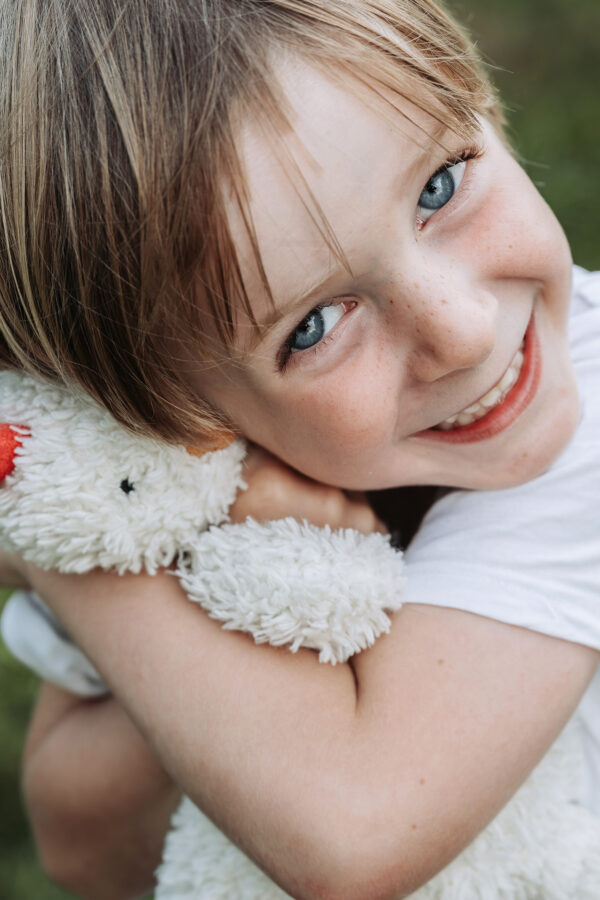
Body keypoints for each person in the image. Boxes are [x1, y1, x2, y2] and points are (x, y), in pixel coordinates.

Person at [0, 1, 599, 898]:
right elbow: (86, 845)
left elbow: (357, 831)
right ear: (170, 414)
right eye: (315, 326)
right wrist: (219, 564)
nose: (465, 332)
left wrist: (60, 560)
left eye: (441, 185)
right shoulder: (183, 481)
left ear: (484, 108)